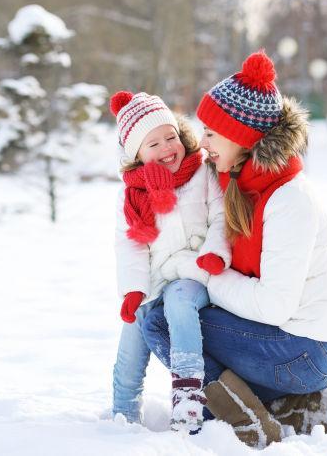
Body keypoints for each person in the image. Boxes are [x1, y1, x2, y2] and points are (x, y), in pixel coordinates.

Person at [141, 51, 327, 448]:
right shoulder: (244, 181)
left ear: (241, 136)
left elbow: (274, 306)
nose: (203, 144)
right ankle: (288, 406)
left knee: (160, 321)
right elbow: (187, 178)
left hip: (303, 351)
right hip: (293, 345)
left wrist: (199, 271)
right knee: (178, 311)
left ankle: (249, 420)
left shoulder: (289, 200)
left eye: (211, 133)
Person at [109, 90, 230, 433]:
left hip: (196, 271)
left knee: (179, 301)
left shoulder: (202, 173)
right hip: (153, 278)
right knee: (132, 333)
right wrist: (133, 291)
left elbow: (222, 217)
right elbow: (130, 246)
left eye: (170, 136)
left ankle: (188, 398)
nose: (166, 148)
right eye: (153, 144)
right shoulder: (131, 195)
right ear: (136, 153)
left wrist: (215, 253)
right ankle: (123, 413)